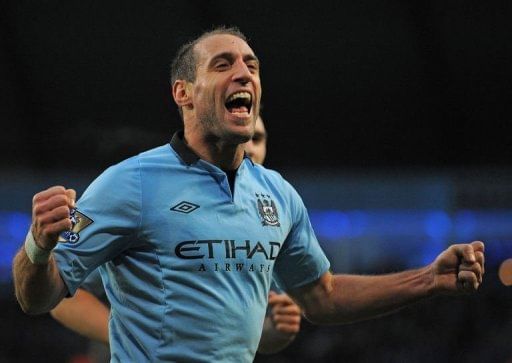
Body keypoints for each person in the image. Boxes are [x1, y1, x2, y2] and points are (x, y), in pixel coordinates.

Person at [13, 26, 485, 362]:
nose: (245, 73)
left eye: (252, 65)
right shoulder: (129, 183)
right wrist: (38, 246)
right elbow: (40, 297)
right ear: (184, 93)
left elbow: (323, 297)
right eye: (224, 64)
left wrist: (429, 279)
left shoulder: (277, 193)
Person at [49, 115, 302, 357]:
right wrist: (133, 340)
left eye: (256, 139)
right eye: (236, 138)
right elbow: (61, 296)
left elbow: (225, 339)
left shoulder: (270, 221)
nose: (248, 147)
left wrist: (271, 334)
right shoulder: (147, 193)